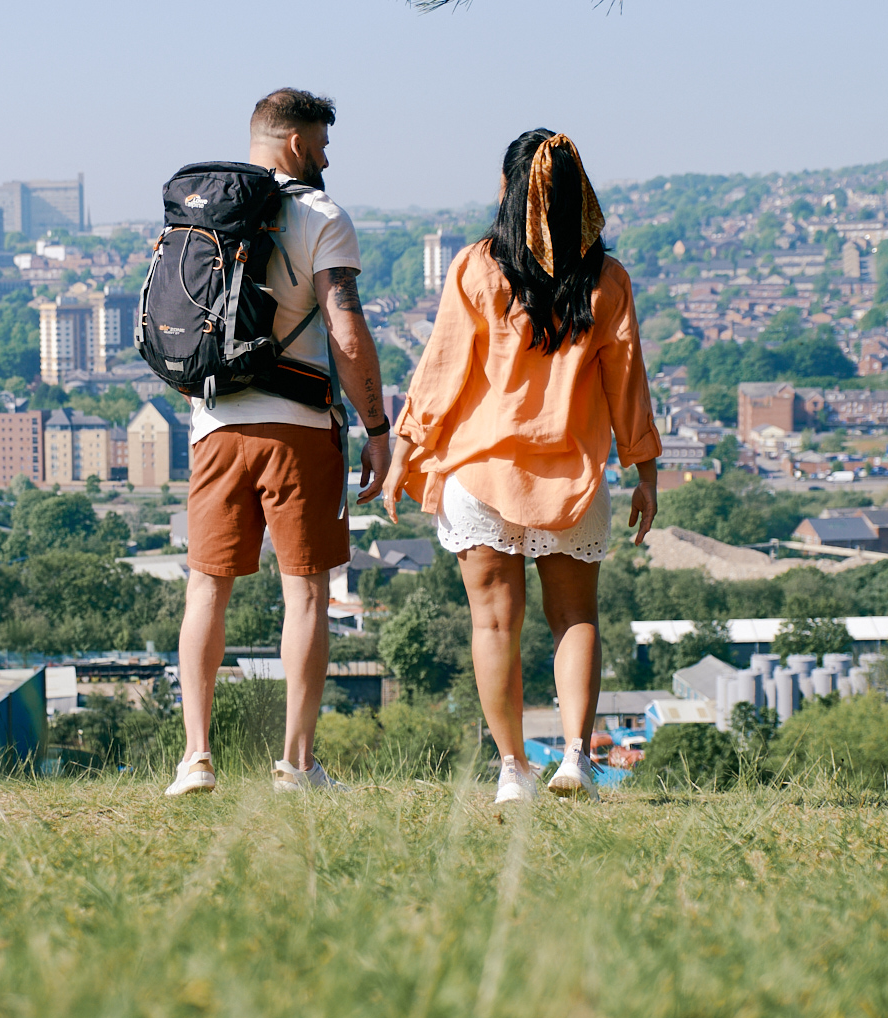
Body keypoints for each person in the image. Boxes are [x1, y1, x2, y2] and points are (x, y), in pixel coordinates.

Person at [381, 129, 661, 803]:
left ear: (508, 190)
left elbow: (441, 371)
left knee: (493, 623)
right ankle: (574, 759)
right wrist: (644, 467)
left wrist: (403, 453)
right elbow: (627, 384)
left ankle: (512, 769)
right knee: (575, 620)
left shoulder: (478, 267)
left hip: (479, 474)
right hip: (572, 476)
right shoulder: (607, 279)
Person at [166, 88, 392, 797]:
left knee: (206, 587)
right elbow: (345, 332)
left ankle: (195, 758)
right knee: (306, 595)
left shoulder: (202, 212)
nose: (326, 157)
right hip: (299, 428)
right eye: (322, 142)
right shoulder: (321, 215)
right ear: (295, 142)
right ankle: (295, 765)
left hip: (215, 426)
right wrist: (377, 425)